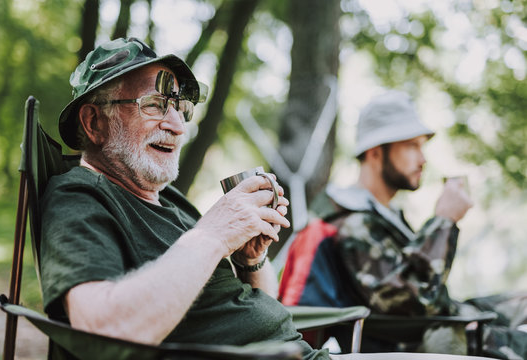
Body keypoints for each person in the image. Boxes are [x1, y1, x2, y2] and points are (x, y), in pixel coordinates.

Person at [39, 37, 354, 360]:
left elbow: (255, 308)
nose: (177, 125)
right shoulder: (79, 198)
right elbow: (101, 332)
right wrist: (213, 234)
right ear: (94, 122)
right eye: (154, 104)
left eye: (179, 107)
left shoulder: (172, 201)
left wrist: (250, 260)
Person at [278, 91, 527, 359]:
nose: (423, 159)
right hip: (421, 341)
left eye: (422, 146)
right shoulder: (351, 222)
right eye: (411, 146)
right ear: (375, 152)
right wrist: (444, 221)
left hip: (443, 323)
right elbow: (413, 302)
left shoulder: (382, 214)